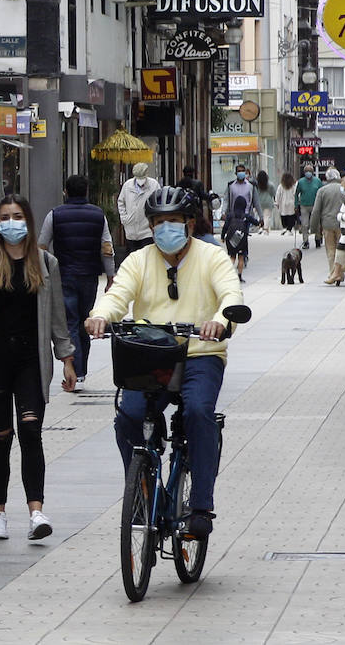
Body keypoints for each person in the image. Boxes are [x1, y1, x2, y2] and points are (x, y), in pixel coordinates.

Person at [86, 187, 244, 539]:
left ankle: (201, 506)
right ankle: (141, 487)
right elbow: (117, 295)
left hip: (200, 355)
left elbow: (231, 293)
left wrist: (220, 319)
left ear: (189, 224)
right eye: (159, 223)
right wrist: (99, 316)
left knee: (198, 412)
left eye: (173, 221)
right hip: (151, 356)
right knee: (128, 416)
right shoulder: (140, 260)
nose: (165, 229)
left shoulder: (212, 257)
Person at [0, 194, 75, 541]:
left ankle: (36, 513)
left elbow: (57, 316)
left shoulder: (45, 263)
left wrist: (66, 359)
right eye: (5, 217)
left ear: (28, 221)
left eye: (18, 216)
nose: (12, 223)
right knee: (0, 437)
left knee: (31, 431)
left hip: (30, 361)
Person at [39, 175, 115, 391]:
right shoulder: (98, 215)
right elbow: (107, 247)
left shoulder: (54, 215)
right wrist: (110, 276)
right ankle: (81, 371)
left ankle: (76, 370)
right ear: (86, 191)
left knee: (69, 322)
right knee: (84, 321)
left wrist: (42, 274)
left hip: (63, 276)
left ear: (66, 192)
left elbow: (42, 245)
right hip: (89, 276)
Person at [117, 162, 161, 253]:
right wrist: (124, 218)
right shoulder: (127, 185)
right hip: (131, 230)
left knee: (147, 257)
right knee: (132, 258)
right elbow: (121, 202)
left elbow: (158, 203)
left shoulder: (154, 185)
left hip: (147, 230)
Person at [311, 168, 345, 284]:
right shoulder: (343, 189)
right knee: (340, 249)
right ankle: (340, 273)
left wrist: (314, 227)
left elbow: (316, 210)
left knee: (331, 250)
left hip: (327, 224)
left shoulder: (322, 190)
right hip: (342, 223)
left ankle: (333, 273)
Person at [221, 190, 253, 282]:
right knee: (241, 257)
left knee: (232, 257)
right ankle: (239, 276)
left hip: (230, 238)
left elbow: (225, 227)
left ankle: (229, 275)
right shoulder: (245, 216)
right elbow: (255, 221)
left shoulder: (230, 215)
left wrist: (223, 237)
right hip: (242, 239)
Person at [296, 164, 321, 249]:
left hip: (315, 205)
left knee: (316, 224)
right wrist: (296, 205)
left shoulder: (317, 181)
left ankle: (318, 239)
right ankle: (305, 241)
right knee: (304, 224)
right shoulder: (301, 182)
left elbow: (321, 193)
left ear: (312, 172)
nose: (308, 173)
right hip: (304, 205)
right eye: (306, 171)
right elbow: (296, 194)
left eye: (310, 171)